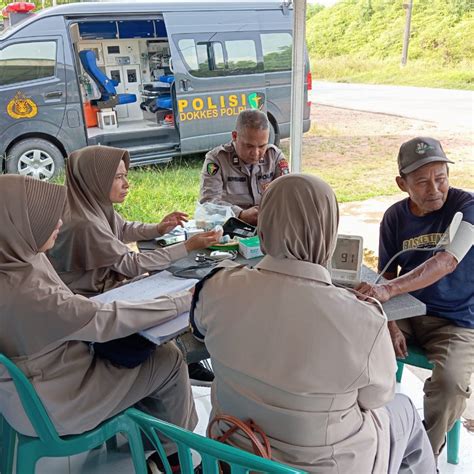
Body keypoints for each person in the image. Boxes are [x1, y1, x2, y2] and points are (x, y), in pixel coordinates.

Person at [191, 174, 435, 473]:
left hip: (235, 449)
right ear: (328, 236)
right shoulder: (362, 319)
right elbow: (377, 397)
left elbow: (202, 331)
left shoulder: (217, 286)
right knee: (405, 410)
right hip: (325, 464)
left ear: (262, 230)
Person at [0, 175, 197, 472]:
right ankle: (172, 458)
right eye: (44, 218)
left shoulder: (18, 258)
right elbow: (105, 319)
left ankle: (154, 437)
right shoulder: (28, 291)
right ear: (18, 224)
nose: (58, 223)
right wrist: (185, 299)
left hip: (24, 391)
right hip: (57, 399)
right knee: (168, 359)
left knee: (132, 350)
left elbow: (75, 310)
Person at [48, 145, 218, 385]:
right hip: (92, 304)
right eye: (118, 177)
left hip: (103, 292)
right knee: (174, 295)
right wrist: (187, 246)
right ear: (94, 179)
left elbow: (123, 227)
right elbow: (130, 264)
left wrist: (158, 228)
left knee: (169, 287)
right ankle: (172, 363)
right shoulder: (83, 222)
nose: (126, 183)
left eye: (125, 175)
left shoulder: (89, 204)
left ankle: (183, 361)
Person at [356, 137, 474, 460]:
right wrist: (391, 324)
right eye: (422, 181)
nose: (434, 188)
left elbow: (448, 261)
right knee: (360, 340)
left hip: (455, 318)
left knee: (450, 384)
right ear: (402, 183)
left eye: (441, 178)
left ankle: (421, 453)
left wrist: (389, 292)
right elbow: (387, 275)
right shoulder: (394, 218)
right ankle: (367, 435)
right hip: (405, 311)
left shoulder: (467, 207)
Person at [199, 109, 289, 225]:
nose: (256, 153)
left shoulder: (274, 156)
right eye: (249, 146)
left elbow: (287, 194)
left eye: (262, 146)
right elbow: (208, 203)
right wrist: (239, 214)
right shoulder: (217, 159)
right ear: (235, 136)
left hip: (270, 224)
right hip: (232, 226)